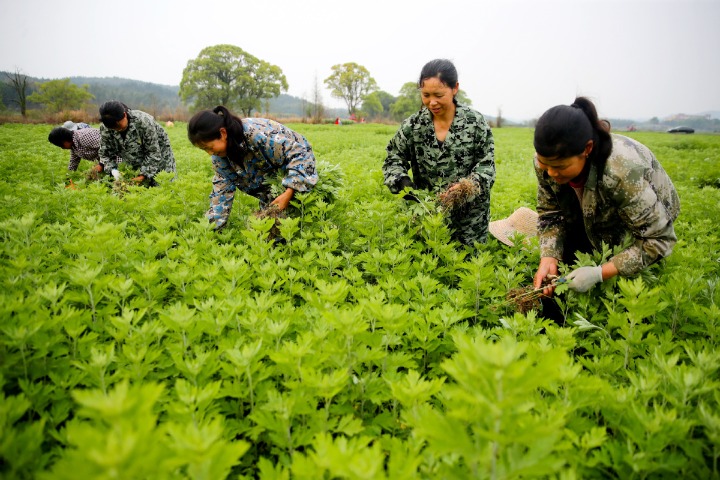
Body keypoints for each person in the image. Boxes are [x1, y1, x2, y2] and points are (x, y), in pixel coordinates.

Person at [532, 96, 680, 298]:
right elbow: (551, 213)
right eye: (544, 164)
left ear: (587, 149)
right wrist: (549, 257)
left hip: (642, 218)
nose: (550, 173)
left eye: (560, 167)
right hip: (589, 206)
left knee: (624, 277)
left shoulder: (622, 171)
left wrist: (600, 273)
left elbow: (657, 239)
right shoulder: (548, 161)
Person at [382, 58, 495, 246]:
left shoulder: (475, 123)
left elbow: (487, 167)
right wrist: (401, 181)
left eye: (438, 95)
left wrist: (466, 187)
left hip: (469, 224)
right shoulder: (414, 125)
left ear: (455, 88)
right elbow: (393, 158)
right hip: (428, 217)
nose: (432, 102)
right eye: (426, 95)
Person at [187, 106, 319, 231]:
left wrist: (290, 191)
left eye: (209, 147)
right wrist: (209, 231)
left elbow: (301, 154)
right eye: (204, 150)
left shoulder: (256, 134)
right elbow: (221, 193)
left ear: (222, 133)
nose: (210, 153)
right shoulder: (220, 158)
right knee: (270, 234)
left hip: (299, 174)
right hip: (270, 189)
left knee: (305, 223)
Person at [98, 100, 176, 185]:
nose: (118, 130)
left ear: (124, 115)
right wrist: (113, 170)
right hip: (133, 157)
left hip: (160, 154)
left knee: (162, 184)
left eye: (119, 126)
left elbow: (153, 152)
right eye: (113, 128)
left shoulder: (144, 122)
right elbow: (105, 154)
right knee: (138, 188)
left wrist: (142, 176)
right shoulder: (106, 128)